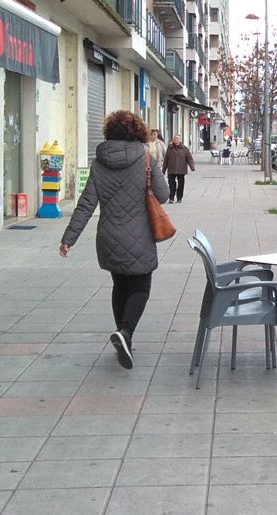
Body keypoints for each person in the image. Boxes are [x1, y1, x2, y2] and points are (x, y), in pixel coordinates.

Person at [59, 110, 169, 369]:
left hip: (108, 236)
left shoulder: (98, 164)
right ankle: (126, 332)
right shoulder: (145, 158)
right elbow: (163, 196)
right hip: (140, 236)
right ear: (139, 132)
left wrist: (69, 239)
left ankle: (123, 338)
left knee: (120, 285)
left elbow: (86, 205)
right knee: (141, 287)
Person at [164, 134, 194, 203]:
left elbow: (189, 158)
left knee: (181, 184)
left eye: (177, 138)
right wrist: (164, 169)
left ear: (180, 140)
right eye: (174, 138)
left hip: (181, 169)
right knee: (171, 184)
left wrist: (192, 167)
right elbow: (166, 159)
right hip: (171, 169)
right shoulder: (170, 148)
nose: (176, 140)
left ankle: (179, 197)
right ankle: (171, 197)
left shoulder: (184, 148)